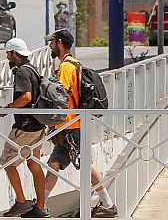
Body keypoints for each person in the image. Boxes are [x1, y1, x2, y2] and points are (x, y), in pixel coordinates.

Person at [43, 29, 117, 218]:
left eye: (51, 42)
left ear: (59, 43)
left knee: (86, 164)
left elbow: (62, 95)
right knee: (54, 164)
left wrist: (51, 85)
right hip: (68, 125)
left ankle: (108, 204)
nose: (50, 46)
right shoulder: (73, 64)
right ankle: (41, 205)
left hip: (71, 125)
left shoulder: (67, 66)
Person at [0, 38, 50, 218]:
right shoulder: (34, 69)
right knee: (34, 163)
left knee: (7, 162)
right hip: (38, 125)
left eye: (7, 53)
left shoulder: (21, 72)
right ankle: (40, 207)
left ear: (13, 53)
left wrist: (8, 108)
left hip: (25, 127)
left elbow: (26, 97)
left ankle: (21, 202)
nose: (7, 57)